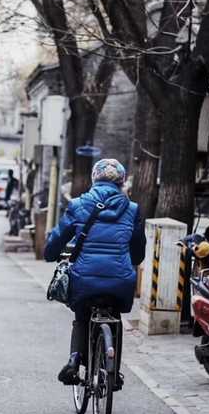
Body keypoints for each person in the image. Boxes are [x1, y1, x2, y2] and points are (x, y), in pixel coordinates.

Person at [44, 158, 146, 384]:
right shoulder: (132, 209)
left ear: (94, 179)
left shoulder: (79, 204)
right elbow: (138, 252)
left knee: (81, 314)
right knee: (114, 315)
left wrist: (50, 253)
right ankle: (114, 373)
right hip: (120, 280)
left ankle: (73, 361)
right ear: (121, 183)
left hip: (84, 279)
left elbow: (57, 239)